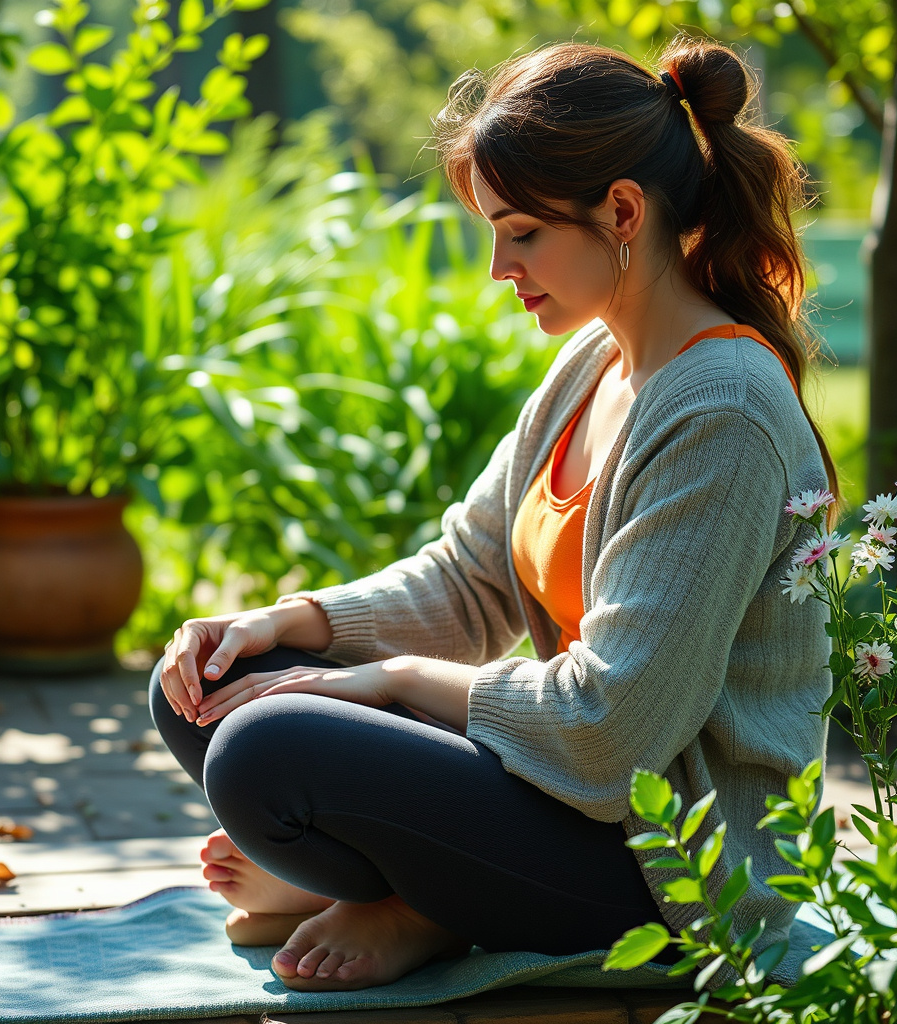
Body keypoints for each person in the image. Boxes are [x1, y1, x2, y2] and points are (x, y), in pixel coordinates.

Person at [150, 38, 835, 993]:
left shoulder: (720, 408)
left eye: (521, 232)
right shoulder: (592, 363)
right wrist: (289, 622)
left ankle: (416, 903)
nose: (497, 266)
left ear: (624, 211)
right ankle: (397, 885)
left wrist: (389, 683)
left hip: (673, 865)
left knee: (270, 746)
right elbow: (469, 582)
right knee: (213, 680)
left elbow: (612, 728)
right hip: (568, 793)